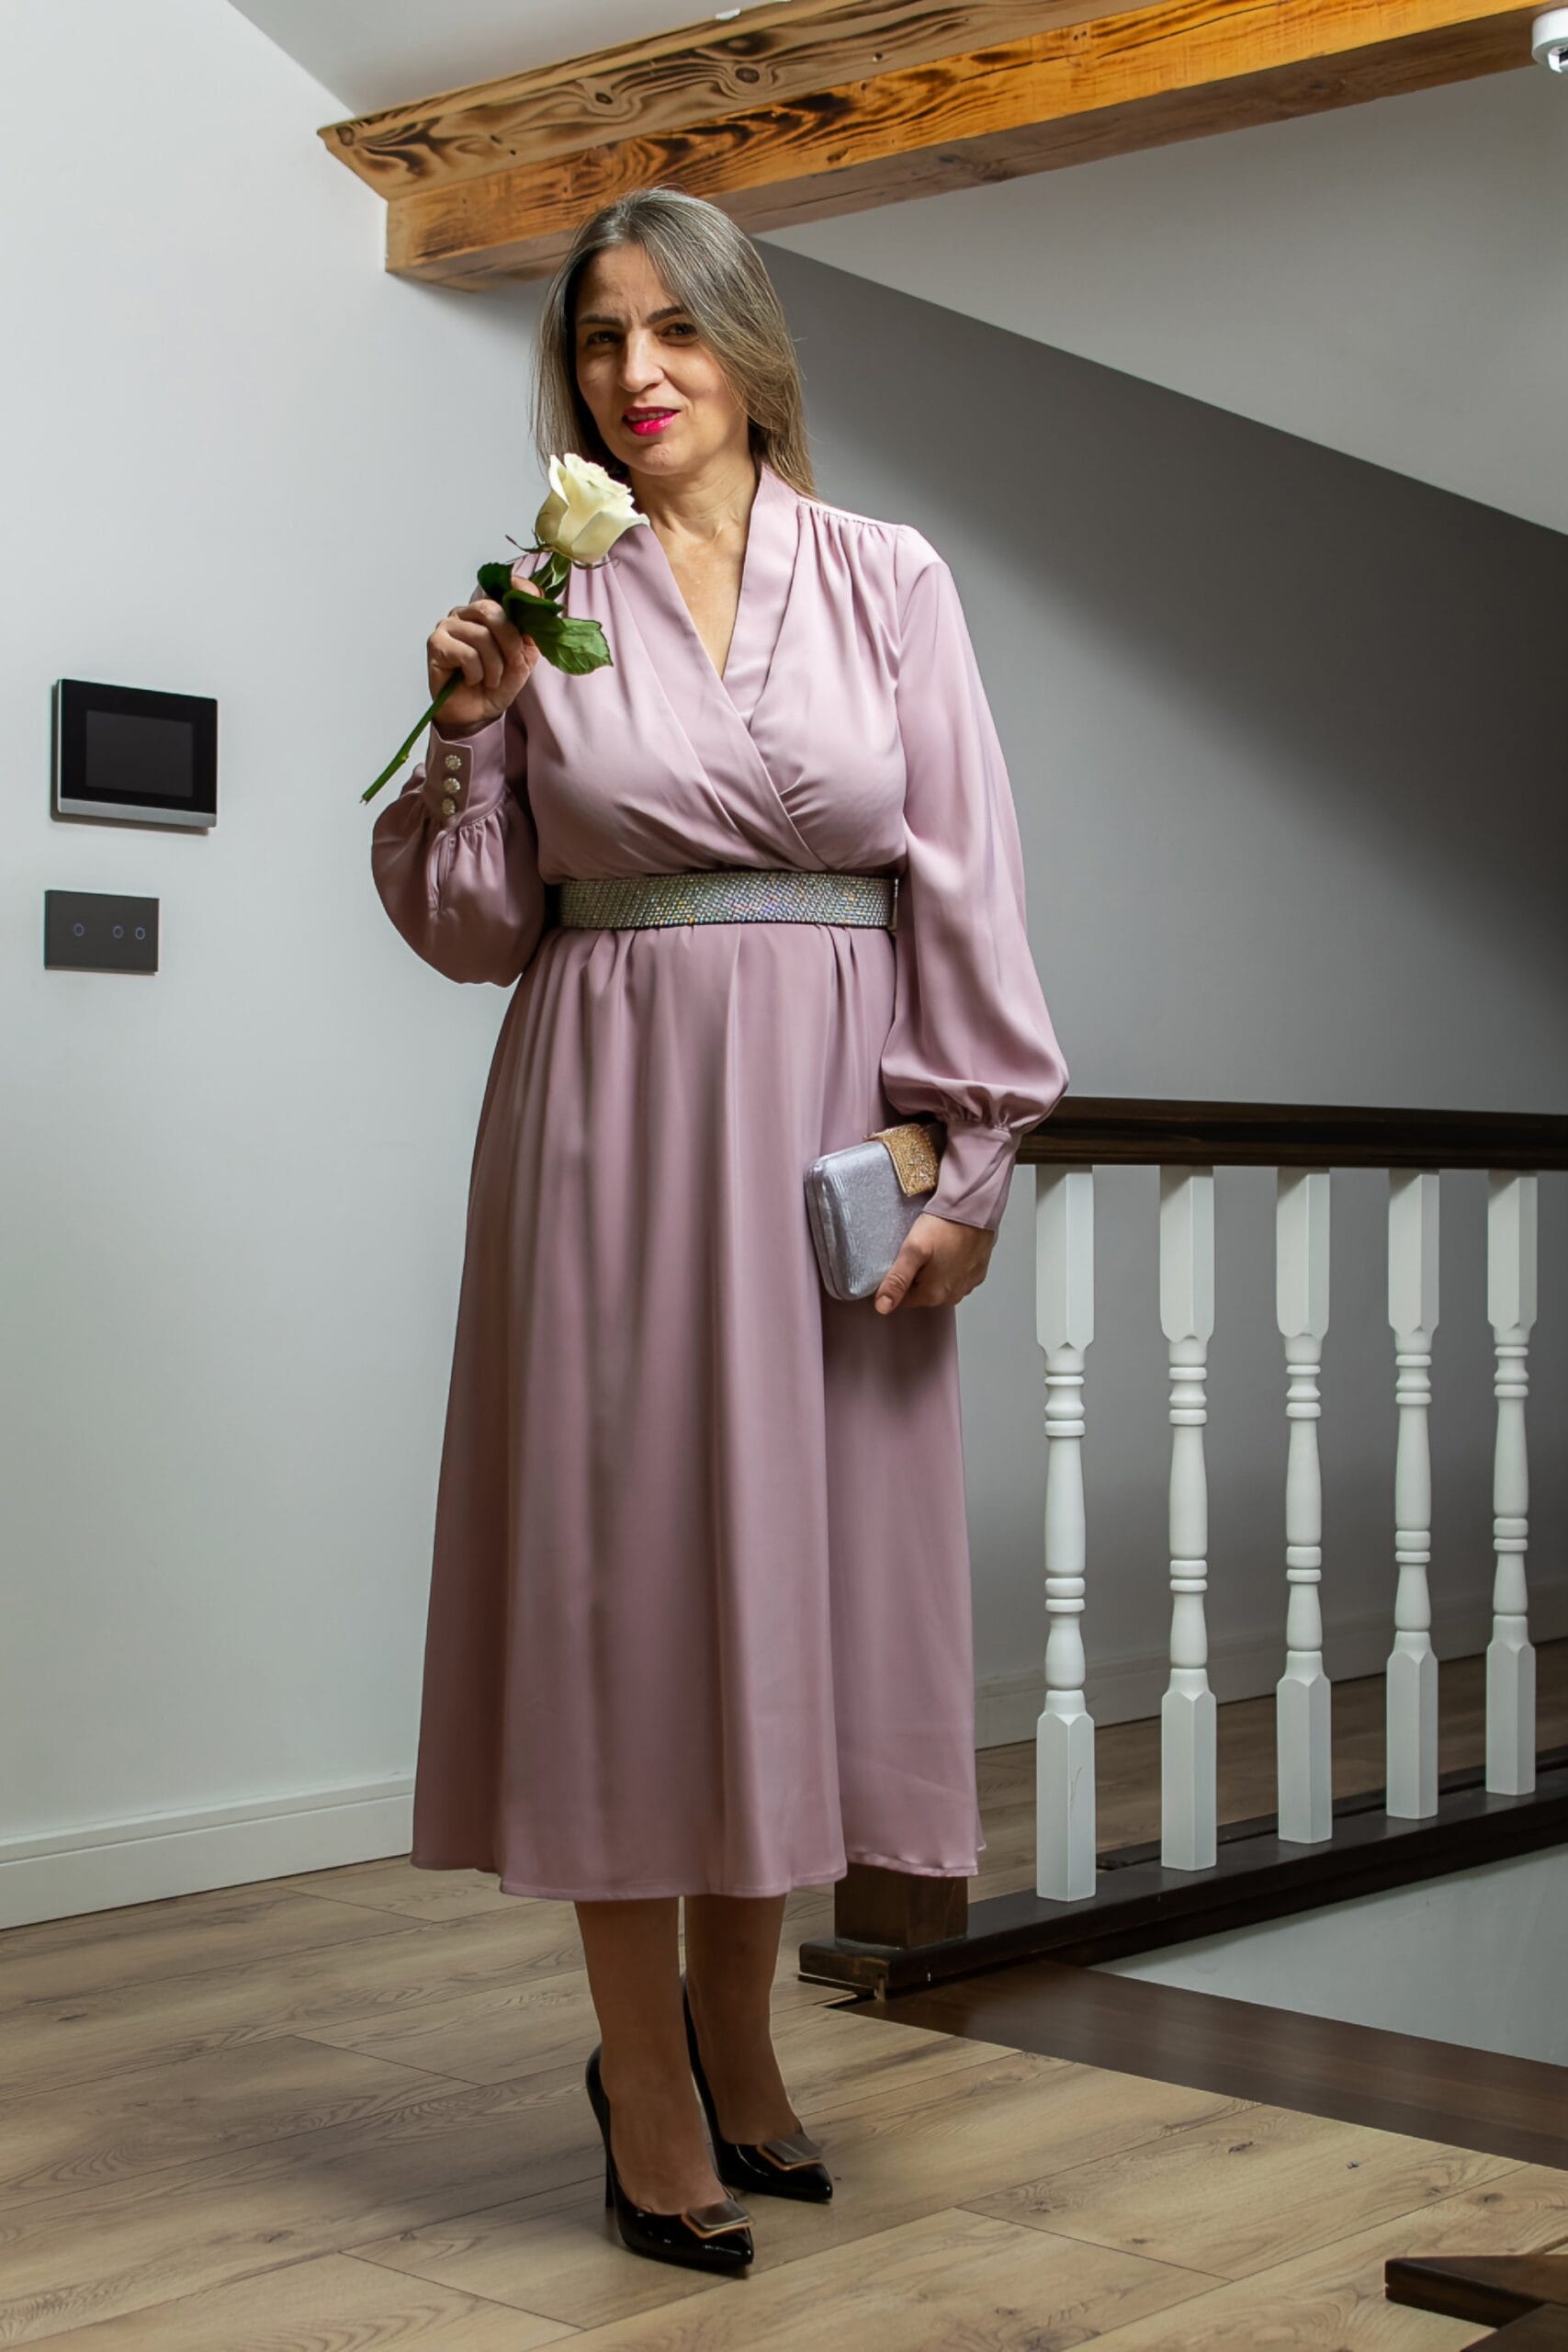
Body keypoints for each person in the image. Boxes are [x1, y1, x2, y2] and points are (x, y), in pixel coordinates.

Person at [370, 186, 1069, 2274]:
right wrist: (468, 737)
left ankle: (739, 2036)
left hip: (833, 1131)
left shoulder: (888, 578)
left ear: (748, 348)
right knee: (625, 1591)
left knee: (788, 1581)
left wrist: (970, 1160)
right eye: (598, 338)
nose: (636, 371)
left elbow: (961, 872)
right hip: (607, 1128)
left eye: (672, 327)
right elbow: (473, 927)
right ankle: (645, 2077)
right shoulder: (536, 598)